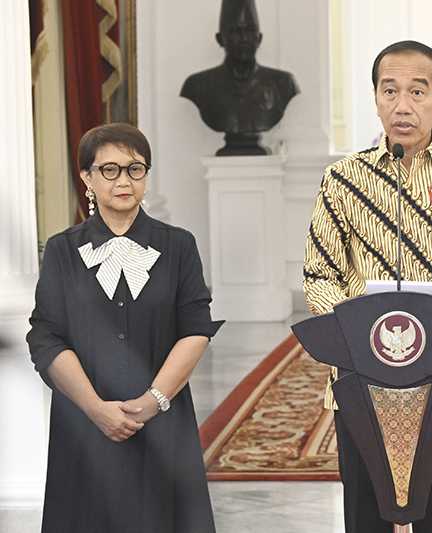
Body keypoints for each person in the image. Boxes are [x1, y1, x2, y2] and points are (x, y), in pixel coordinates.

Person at [302, 40, 432, 533]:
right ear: (374, 98)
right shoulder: (343, 178)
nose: (402, 105)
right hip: (360, 375)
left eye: (418, 91)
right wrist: (358, 338)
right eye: (389, 90)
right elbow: (319, 273)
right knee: (364, 509)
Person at [27, 123, 223, 533]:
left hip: (161, 419)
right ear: (87, 178)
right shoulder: (62, 250)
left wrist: (154, 401)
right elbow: (46, 336)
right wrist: (95, 408)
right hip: (84, 420)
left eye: (135, 169)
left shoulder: (178, 245)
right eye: (110, 170)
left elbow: (195, 329)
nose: (124, 181)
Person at [181, 0, 299, 154]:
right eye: (236, 31)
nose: (244, 38)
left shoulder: (283, 84)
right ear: (220, 39)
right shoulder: (198, 85)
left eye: (250, 31)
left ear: (259, 38)